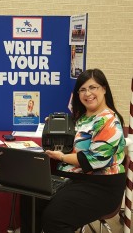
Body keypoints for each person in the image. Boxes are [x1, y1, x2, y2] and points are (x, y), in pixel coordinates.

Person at [20, 68, 126, 233]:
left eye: (93, 87)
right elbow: (70, 143)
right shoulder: (82, 117)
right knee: (30, 197)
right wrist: (55, 125)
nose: (87, 93)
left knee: (55, 216)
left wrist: (61, 157)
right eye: (82, 89)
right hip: (72, 179)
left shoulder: (109, 121)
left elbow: (93, 161)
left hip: (100, 186)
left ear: (104, 89)